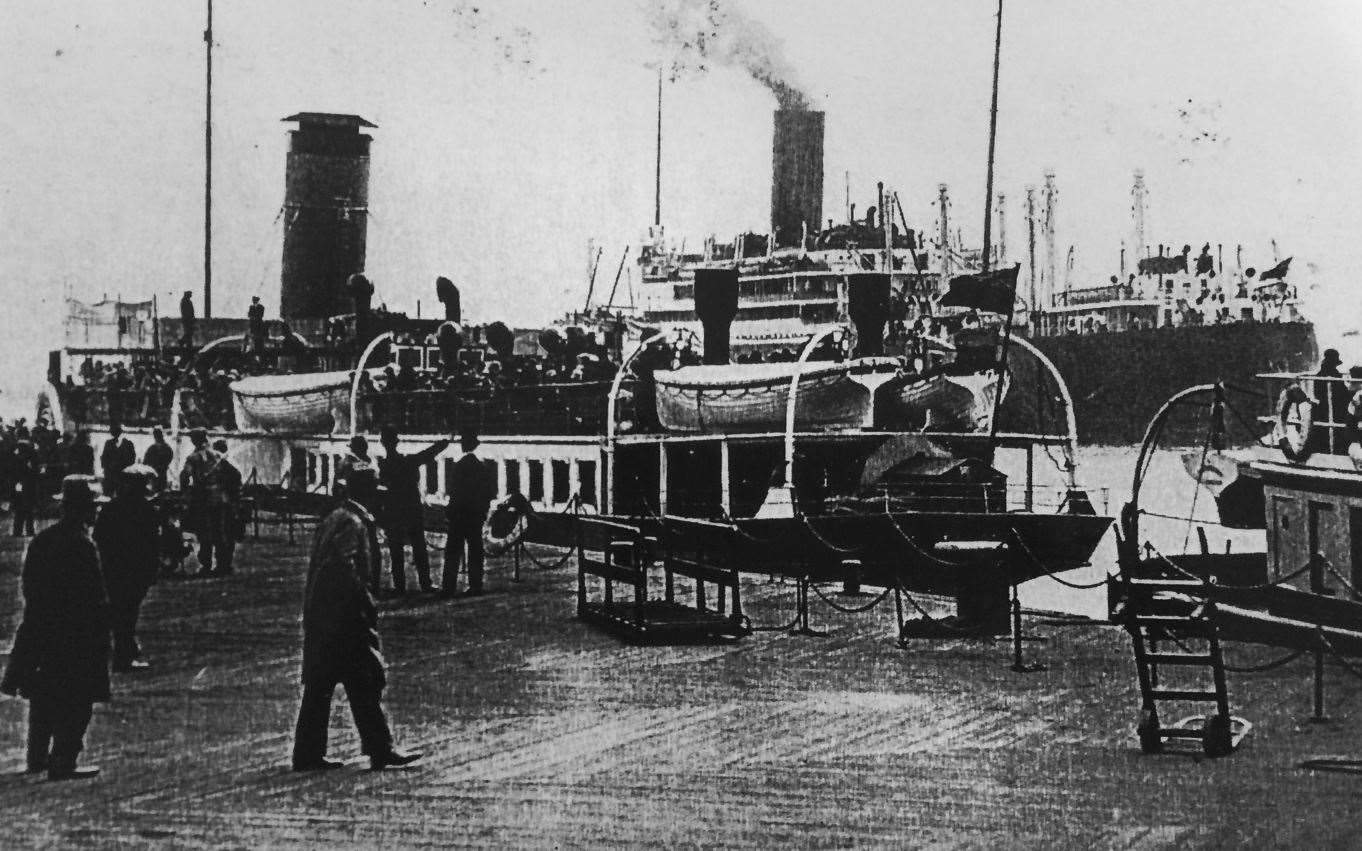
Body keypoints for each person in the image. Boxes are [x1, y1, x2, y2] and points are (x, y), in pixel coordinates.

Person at [291, 465, 420, 772]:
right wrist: (363, 607)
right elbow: (344, 569)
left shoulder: (335, 517)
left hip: (323, 618)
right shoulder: (353, 523)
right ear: (367, 491)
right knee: (363, 682)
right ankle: (380, 749)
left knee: (320, 687)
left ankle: (308, 753)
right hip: (345, 621)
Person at [1, 475, 111, 779]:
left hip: (40, 626)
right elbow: (93, 596)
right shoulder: (83, 544)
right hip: (76, 633)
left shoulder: (43, 539)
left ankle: (36, 758)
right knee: (78, 698)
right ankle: (64, 760)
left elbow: (29, 585)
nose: (96, 513)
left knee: (42, 693)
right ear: (84, 510)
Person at [94, 465, 159, 672]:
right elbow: (153, 543)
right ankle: (125, 654)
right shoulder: (147, 510)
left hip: (113, 566)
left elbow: (99, 536)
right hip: (137, 568)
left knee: (119, 609)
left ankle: (127, 649)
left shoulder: (111, 507)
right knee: (129, 612)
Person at [377, 426, 449, 595]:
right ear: (397, 441)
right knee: (419, 548)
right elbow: (427, 454)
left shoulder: (384, 465)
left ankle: (399, 586)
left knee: (396, 550)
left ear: (383, 443)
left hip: (393, 510)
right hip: (411, 509)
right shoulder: (407, 461)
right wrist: (443, 443)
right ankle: (425, 584)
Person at [442, 429, 495, 597]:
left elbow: (454, 492)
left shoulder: (458, 466)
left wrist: (450, 511)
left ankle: (448, 586)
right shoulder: (482, 468)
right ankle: (476, 585)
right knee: (475, 550)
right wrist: (482, 512)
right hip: (475, 515)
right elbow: (488, 493)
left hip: (458, 515)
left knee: (452, 551)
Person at [179, 430, 238, 576]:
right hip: (221, 498)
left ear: (194, 441)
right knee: (220, 532)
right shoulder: (217, 455)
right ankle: (223, 564)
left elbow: (185, 476)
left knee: (204, 532)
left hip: (204, 499)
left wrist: (186, 493)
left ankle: (206, 565)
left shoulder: (193, 458)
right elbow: (234, 474)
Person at [10, 439, 40, 537]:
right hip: (28, 486)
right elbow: (34, 471)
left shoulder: (16, 458)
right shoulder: (29, 458)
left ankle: (17, 531)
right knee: (29, 510)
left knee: (20, 510)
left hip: (20, 486)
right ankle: (29, 530)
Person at [100, 423, 136, 490]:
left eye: (115, 430)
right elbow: (104, 459)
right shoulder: (108, 443)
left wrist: (120, 465)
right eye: (112, 431)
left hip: (123, 476)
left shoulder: (128, 444)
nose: (113, 433)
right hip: (110, 476)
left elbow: (132, 460)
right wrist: (109, 465)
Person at [143, 427, 174, 491]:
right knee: (162, 491)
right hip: (163, 473)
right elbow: (170, 457)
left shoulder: (152, 448)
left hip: (154, 474)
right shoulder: (167, 448)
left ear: (155, 436)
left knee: (155, 491)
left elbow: (145, 462)